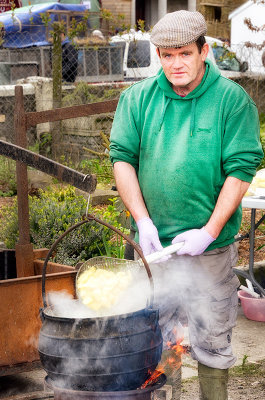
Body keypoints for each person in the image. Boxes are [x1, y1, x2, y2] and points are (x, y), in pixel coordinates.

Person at [109, 10, 263, 400]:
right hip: (154, 250)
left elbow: (242, 168)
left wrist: (209, 231)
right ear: (157, 56)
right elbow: (122, 158)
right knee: (157, 338)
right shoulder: (137, 99)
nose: (176, 64)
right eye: (166, 55)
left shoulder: (232, 101)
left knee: (212, 338)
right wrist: (143, 222)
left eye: (184, 54)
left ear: (203, 51)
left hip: (208, 251)